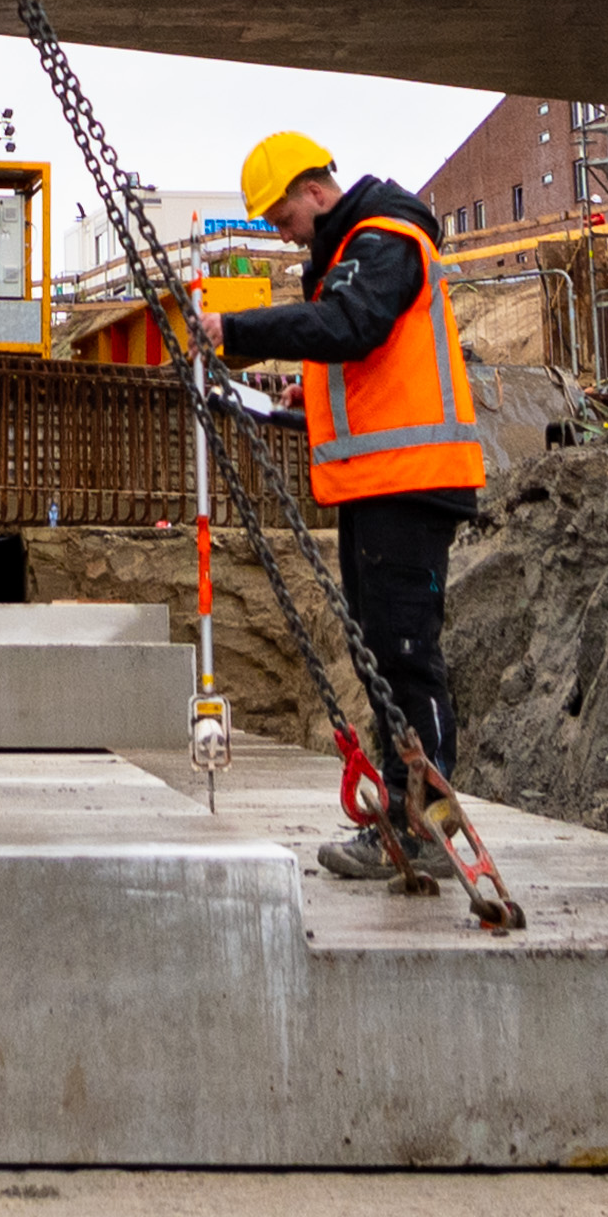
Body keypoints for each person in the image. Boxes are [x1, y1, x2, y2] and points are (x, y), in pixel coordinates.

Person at [216, 130, 491, 886]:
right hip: (378, 486)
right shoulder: (350, 256)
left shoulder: (383, 240)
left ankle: (428, 822)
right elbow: (367, 365)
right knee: (385, 663)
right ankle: (404, 820)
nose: (284, 233)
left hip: (410, 484)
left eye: (283, 218)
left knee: (406, 659)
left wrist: (235, 332)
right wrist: (304, 399)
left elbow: (351, 326)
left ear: (314, 191)